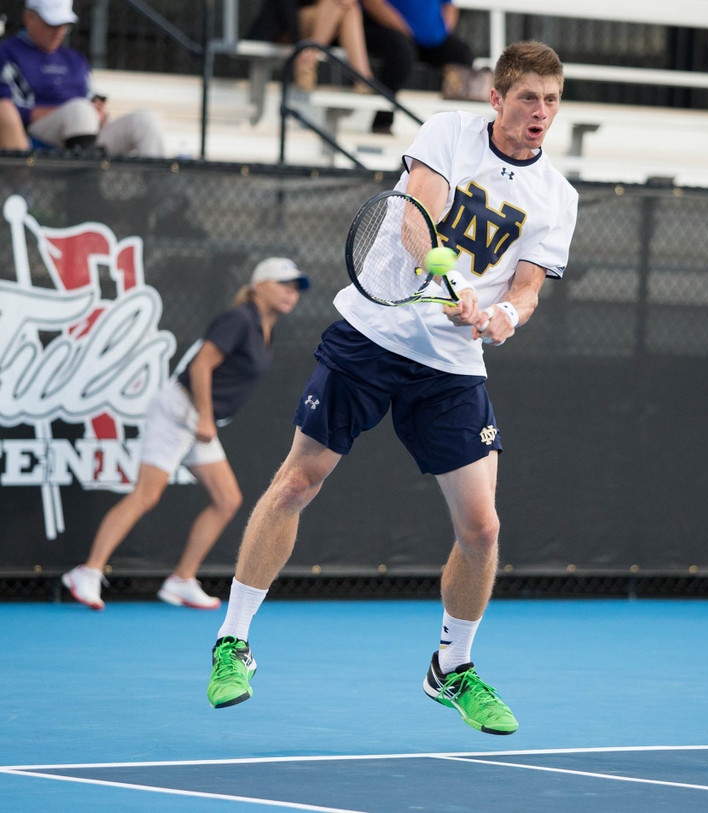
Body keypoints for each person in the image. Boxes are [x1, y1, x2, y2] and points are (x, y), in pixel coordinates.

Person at [205, 41, 578, 735]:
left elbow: (527, 291)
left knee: (483, 527)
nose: (540, 113)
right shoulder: (446, 133)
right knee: (298, 480)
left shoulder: (558, 197)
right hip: (372, 335)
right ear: (496, 99)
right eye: (528, 98)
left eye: (551, 101)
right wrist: (452, 281)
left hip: (453, 366)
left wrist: (503, 315)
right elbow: (415, 221)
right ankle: (234, 641)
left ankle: (452, 668)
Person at [61, 259, 311, 611]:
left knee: (226, 500)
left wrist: (205, 419)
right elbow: (201, 365)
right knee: (147, 495)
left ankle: (181, 580)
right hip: (179, 409)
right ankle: (86, 572)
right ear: (259, 286)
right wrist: (206, 418)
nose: (291, 292)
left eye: (296, 287)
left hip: (196, 417)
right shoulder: (239, 319)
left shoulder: (264, 329)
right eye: (284, 284)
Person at [0, 0, 164, 156]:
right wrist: (74, 110)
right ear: (29, 18)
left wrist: (99, 113)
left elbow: (92, 100)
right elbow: (7, 111)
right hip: (36, 135)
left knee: (145, 120)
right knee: (80, 111)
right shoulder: (7, 52)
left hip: (84, 135)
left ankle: (161, 185)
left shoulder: (75, 58)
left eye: (64, 25)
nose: (59, 32)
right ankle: (86, 184)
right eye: (51, 24)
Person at [361, 0, 475, 134]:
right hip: (387, 27)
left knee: (461, 55)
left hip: (428, 38)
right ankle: (382, 123)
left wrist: (441, 31)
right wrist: (405, 30)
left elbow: (449, 6)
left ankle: (445, 129)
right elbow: (372, 3)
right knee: (402, 53)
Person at [247, 0, 374, 94]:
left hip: (321, 27)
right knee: (340, 4)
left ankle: (308, 59)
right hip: (283, 25)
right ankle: (363, 78)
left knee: (350, 8)